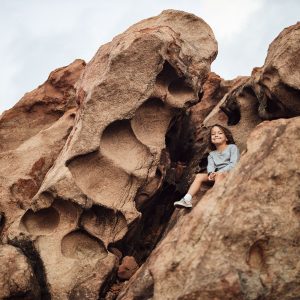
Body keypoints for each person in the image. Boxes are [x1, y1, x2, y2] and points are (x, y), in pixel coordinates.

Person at [174, 124, 240, 208]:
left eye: (220, 133)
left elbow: (234, 164)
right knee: (199, 176)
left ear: (226, 137)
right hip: (217, 175)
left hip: (230, 173)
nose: (216, 135)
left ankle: (215, 198)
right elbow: (211, 166)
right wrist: (211, 173)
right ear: (211, 140)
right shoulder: (212, 154)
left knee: (219, 175)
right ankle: (187, 199)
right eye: (213, 134)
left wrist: (219, 172)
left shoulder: (232, 148)